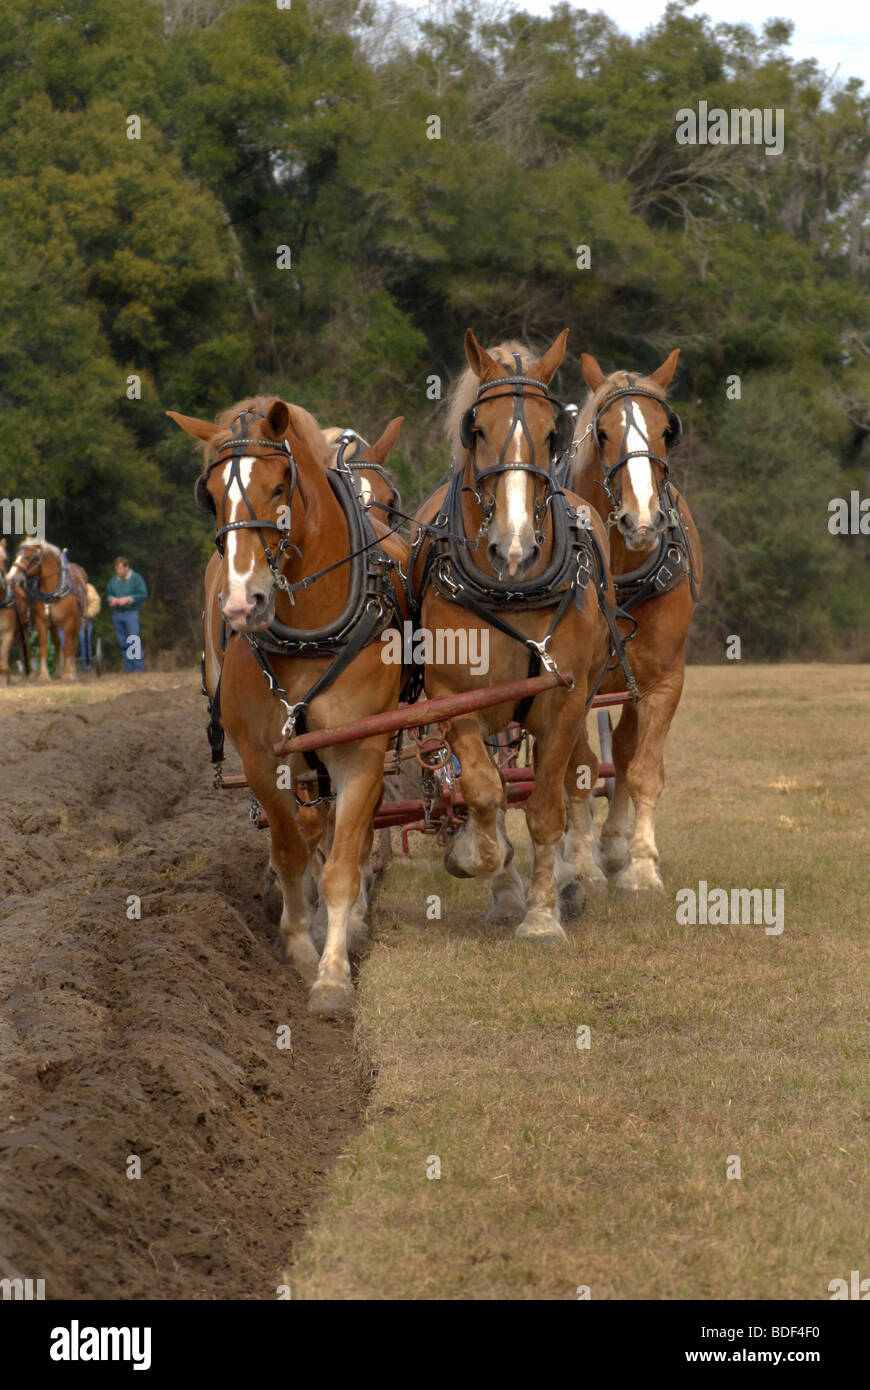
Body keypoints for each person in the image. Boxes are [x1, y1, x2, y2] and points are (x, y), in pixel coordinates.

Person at [106, 556, 147, 672]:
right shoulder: (113, 581)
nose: (119, 571)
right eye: (117, 569)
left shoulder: (136, 579)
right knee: (123, 641)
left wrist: (128, 599)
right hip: (118, 614)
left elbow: (143, 594)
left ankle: (138, 668)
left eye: (120, 569)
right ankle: (128, 668)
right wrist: (112, 600)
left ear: (127, 567)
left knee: (133, 639)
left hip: (131, 613)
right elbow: (108, 595)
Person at [78, 582, 101, 670]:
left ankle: (86, 665)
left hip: (84, 619)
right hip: (67, 621)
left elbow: (95, 601)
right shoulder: (63, 587)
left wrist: (87, 614)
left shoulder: (87, 587)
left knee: (84, 638)